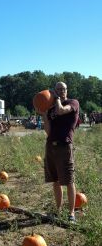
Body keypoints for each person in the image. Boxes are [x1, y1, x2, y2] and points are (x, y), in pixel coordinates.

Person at [40, 82, 79, 222]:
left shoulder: (73, 103)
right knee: (55, 180)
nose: (61, 91)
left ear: (66, 91)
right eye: (58, 89)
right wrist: (44, 114)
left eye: (63, 89)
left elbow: (62, 110)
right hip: (51, 146)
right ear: (54, 91)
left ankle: (71, 214)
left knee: (69, 180)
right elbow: (48, 131)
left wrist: (55, 99)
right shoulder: (51, 110)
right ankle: (58, 210)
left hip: (64, 146)